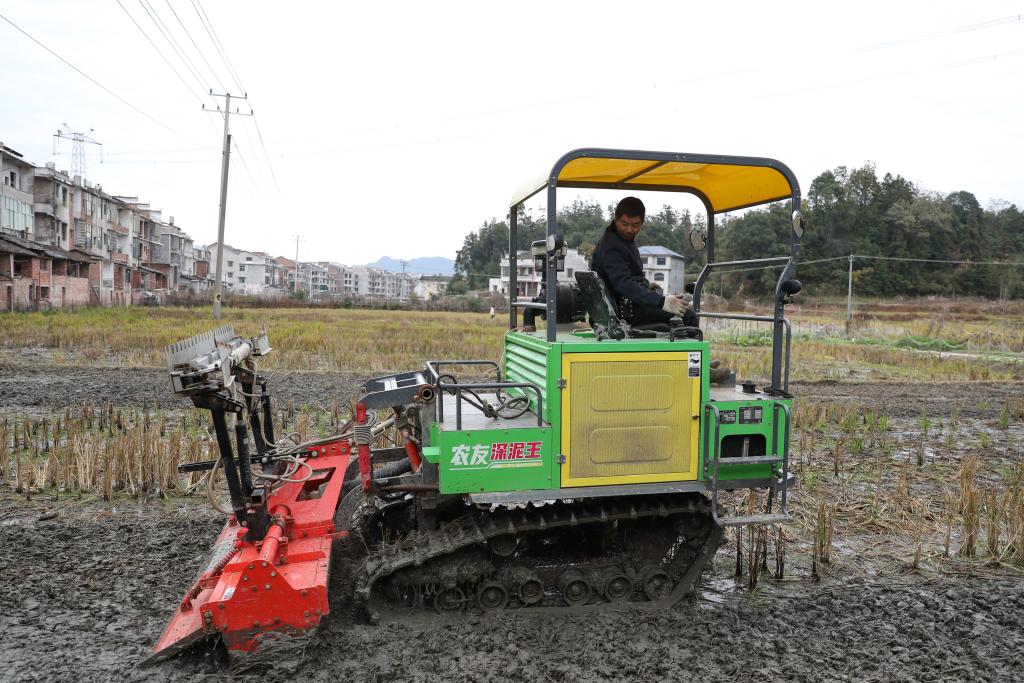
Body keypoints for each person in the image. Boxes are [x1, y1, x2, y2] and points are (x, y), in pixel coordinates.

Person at [592, 196, 698, 328]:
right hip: (624, 311)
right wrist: (663, 302)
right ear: (616, 219)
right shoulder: (612, 246)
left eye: (635, 225)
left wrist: (647, 285)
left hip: (627, 305)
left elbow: (625, 276)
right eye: (625, 224)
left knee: (682, 307)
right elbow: (623, 284)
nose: (630, 229)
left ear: (642, 223)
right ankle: (689, 349)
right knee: (689, 316)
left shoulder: (622, 239)